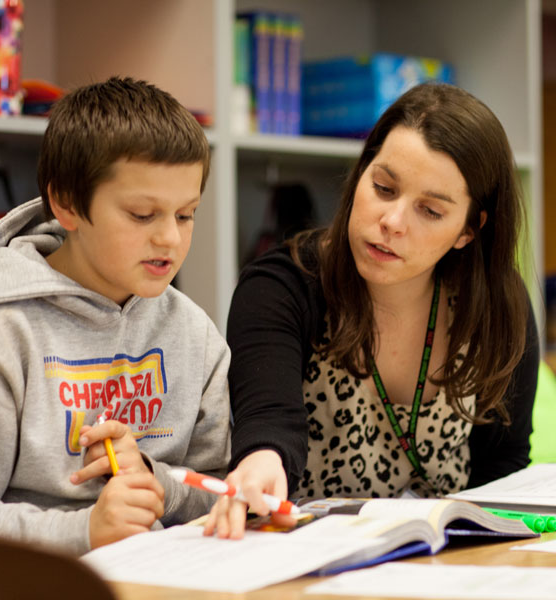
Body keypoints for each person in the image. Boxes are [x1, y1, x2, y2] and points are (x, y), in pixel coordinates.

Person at [205, 82, 539, 539]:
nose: (392, 222)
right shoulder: (281, 287)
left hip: (454, 565)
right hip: (313, 559)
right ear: (361, 174)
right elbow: (268, 427)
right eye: (383, 187)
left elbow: (503, 468)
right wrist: (260, 462)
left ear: (468, 230)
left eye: (431, 211)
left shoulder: (498, 309)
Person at [0, 77, 231, 554]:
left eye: (186, 215)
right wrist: (83, 531)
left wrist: (157, 483)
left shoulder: (194, 333)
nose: (169, 238)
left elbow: (221, 490)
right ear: (65, 203)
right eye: (143, 214)